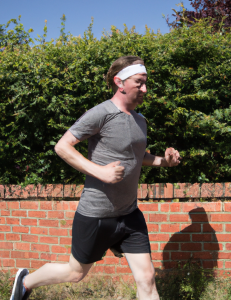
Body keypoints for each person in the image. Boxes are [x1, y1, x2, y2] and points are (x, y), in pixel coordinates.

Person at [10, 55, 180, 300]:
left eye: (146, 83)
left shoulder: (140, 120)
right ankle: (25, 282)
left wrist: (165, 162)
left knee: (147, 278)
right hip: (97, 214)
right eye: (139, 82)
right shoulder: (101, 113)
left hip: (130, 214)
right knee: (75, 273)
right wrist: (99, 171)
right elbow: (63, 146)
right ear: (119, 82)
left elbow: (138, 155)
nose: (145, 88)